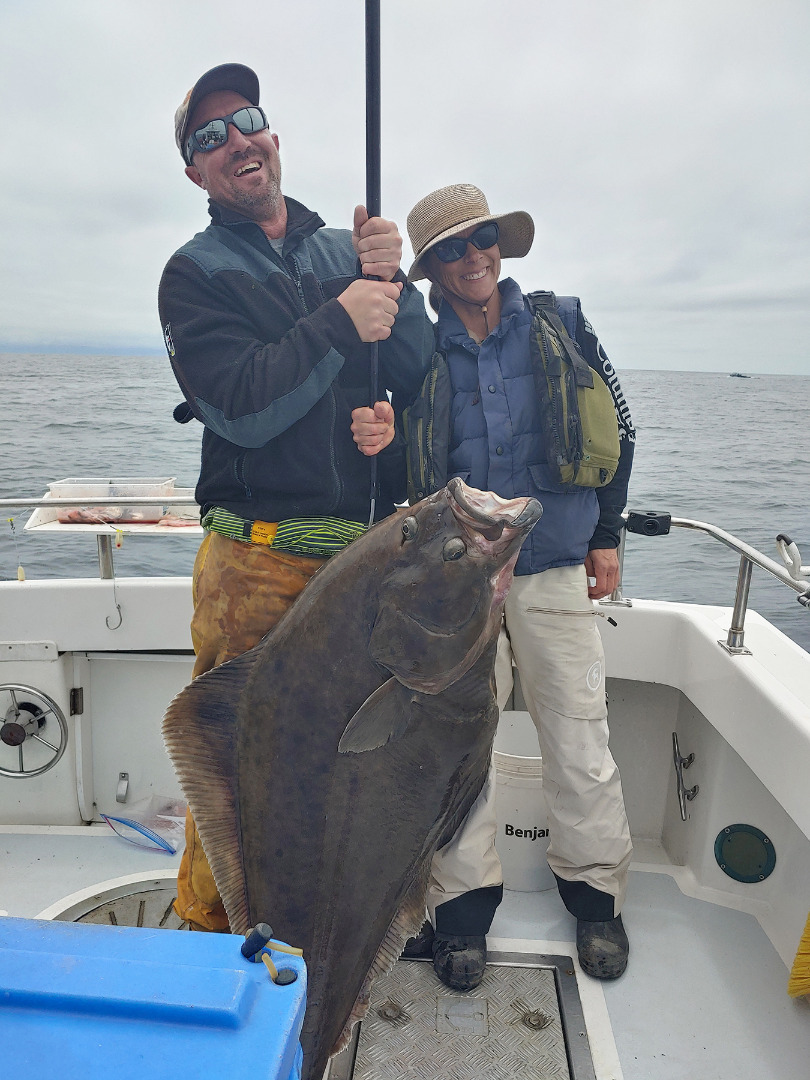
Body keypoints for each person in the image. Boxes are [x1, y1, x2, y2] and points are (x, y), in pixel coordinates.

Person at [158, 63, 433, 933]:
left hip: (358, 561)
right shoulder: (193, 274)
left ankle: (315, 933)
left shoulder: (342, 248)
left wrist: (398, 284)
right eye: (209, 136)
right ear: (196, 171)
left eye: (246, 120)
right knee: (236, 771)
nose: (236, 139)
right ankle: (207, 950)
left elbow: (416, 365)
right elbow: (240, 405)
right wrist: (341, 317)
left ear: (272, 135)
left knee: (343, 767)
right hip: (255, 564)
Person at [401, 183, 636, 985]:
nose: (473, 257)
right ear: (429, 267)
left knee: (580, 735)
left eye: (483, 239)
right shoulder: (414, 345)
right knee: (457, 752)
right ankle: (461, 914)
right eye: (451, 249)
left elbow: (621, 430)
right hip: (455, 586)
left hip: (554, 565)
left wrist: (606, 534)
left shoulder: (561, 322)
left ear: (501, 242)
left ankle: (597, 904)